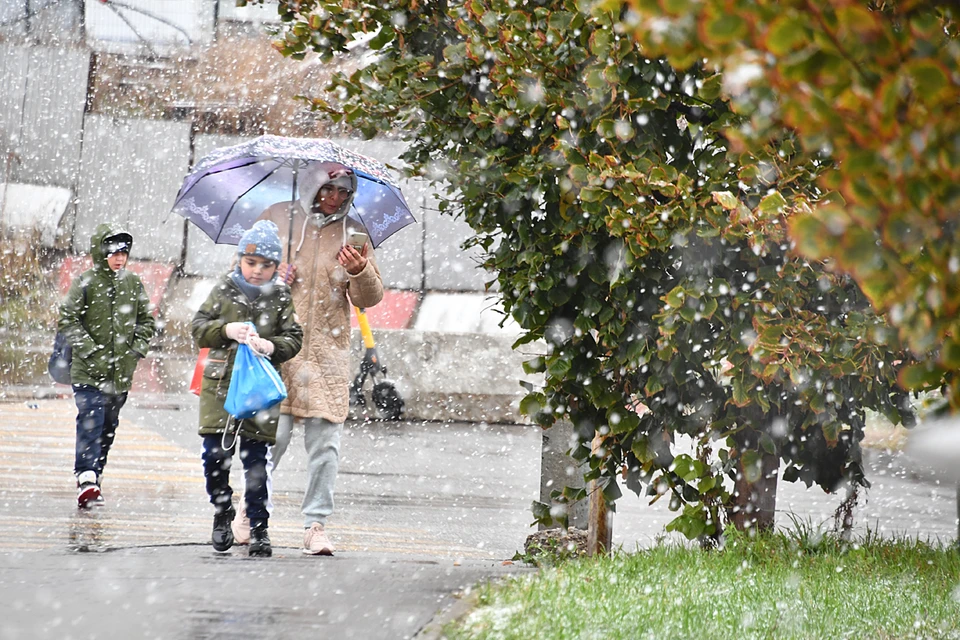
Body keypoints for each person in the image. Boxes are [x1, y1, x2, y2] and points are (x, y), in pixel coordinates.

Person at [248, 162, 383, 555]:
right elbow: (243, 275)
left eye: (344, 191)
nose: (336, 198)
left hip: (327, 356)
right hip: (279, 351)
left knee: (325, 446)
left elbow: (369, 299)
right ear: (311, 185)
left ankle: (316, 525)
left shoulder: (354, 233)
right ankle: (249, 509)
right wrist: (272, 279)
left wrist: (359, 273)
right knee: (272, 439)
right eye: (329, 188)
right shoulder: (276, 219)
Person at [191, 220, 303, 557]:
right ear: (239, 259)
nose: (257, 271)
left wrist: (271, 347)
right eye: (250, 263)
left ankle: (259, 526)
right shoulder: (224, 288)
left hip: (259, 389)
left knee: (256, 462)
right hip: (221, 386)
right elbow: (199, 328)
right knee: (215, 456)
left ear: (276, 266)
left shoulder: (282, 295)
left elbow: (294, 337)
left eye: (266, 265)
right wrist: (226, 330)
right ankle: (222, 510)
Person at [58, 223, 157, 509]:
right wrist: (89, 350)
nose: (118, 258)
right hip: (88, 372)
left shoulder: (133, 283)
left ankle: (94, 477)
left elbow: (146, 322)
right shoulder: (85, 282)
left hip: (120, 374)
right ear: (100, 252)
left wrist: (136, 349)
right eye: (112, 251)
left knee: (108, 427)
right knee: (91, 419)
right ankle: (85, 476)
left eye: (123, 252)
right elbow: (67, 319)